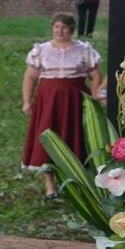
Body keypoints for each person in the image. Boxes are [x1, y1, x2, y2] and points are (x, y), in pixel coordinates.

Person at [21, 12, 102, 198]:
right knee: (48, 136)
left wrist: (96, 97)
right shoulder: (41, 50)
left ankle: (76, 182)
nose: (60, 31)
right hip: (48, 100)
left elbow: (96, 75)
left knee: (75, 137)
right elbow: (30, 77)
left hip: (75, 99)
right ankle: (50, 186)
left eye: (64, 27)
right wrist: (27, 101)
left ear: (72, 30)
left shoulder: (84, 49)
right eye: (57, 27)